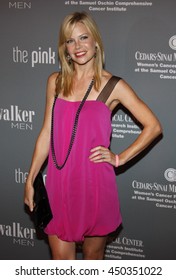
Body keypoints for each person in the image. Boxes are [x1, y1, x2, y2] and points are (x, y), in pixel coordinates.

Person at [24, 11, 162, 260]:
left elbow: (153, 126)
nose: (78, 46)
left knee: (92, 263)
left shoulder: (113, 85)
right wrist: (31, 177)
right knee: (61, 264)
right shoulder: (55, 82)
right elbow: (46, 133)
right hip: (58, 183)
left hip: (95, 185)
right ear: (64, 48)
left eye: (83, 37)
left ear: (96, 42)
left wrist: (119, 158)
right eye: (70, 40)